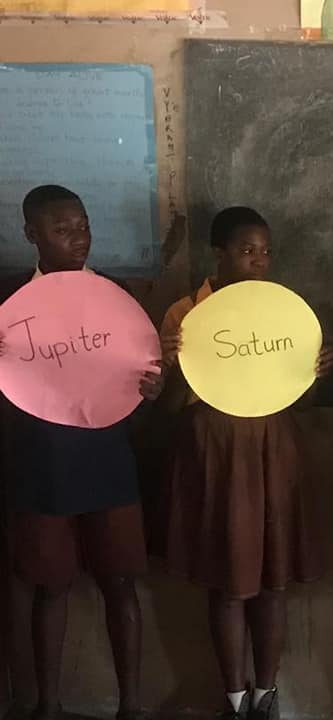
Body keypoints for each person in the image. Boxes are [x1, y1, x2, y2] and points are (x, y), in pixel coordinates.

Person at [158, 207, 333, 720]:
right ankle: (233, 697)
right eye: (246, 249)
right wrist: (174, 365)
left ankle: (266, 693)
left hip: (272, 449)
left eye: (265, 251)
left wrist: (313, 372)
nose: (258, 260)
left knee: (273, 579)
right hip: (212, 451)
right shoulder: (186, 313)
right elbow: (168, 409)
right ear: (219, 252)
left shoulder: (284, 314)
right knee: (229, 580)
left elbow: (291, 397)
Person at [0, 184, 162, 720]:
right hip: (40, 462)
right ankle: (48, 706)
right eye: (62, 229)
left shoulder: (115, 297)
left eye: (84, 226)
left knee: (121, 583)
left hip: (107, 457)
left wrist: (149, 391)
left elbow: (136, 377)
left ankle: (132, 706)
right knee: (50, 587)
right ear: (31, 235)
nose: (79, 239)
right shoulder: (7, 302)